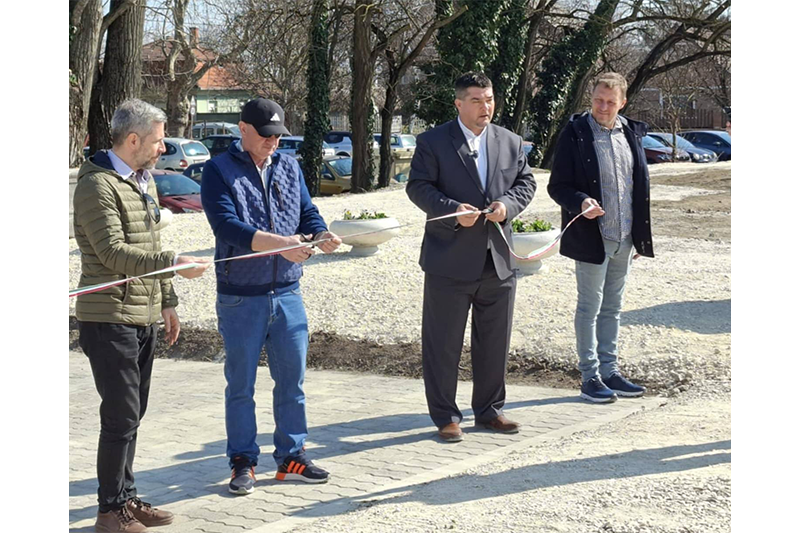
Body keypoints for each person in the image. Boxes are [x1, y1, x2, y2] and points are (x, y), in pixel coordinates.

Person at [73, 99, 210, 533]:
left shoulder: (142, 182)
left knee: (134, 413)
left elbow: (149, 245)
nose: (163, 147)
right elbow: (113, 253)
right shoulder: (97, 187)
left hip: (143, 314)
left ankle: (126, 499)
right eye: (157, 140)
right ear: (132, 140)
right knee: (120, 415)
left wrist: (167, 300)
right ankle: (109, 512)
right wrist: (174, 261)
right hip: (108, 316)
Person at [201, 98, 342, 494]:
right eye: (265, 135)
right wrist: (281, 245)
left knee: (292, 382)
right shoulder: (217, 170)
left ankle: (292, 456)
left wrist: (320, 234)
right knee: (241, 386)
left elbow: (307, 212)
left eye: (278, 135)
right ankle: (243, 461)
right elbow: (226, 226)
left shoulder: (289, 165)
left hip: (288, 293)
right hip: (240, 297)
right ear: (242, 129)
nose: (272, 143)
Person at [406, 72, 536, 443]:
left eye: (490, 99)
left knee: (494, 341)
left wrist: (506, 206)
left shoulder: (510, 141)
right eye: (477, 100)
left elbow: (525, 184)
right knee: (443, 344)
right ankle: (446, 415)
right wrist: (450, 209)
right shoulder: (433, 141)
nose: (486, 107)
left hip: (498, 259)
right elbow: (418, 187)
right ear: (458, 104)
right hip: (449, 259)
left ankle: (490, 410)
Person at [547, 72, 653, 404]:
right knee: (589, 308)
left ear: (622, 103)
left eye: (610, 102)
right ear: (590, 98)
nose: (603, 107)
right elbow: (557, 185)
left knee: (613, 309)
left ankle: (611, 372)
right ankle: (589, 376)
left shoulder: (631, 134)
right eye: (597, 100)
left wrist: (638, 236)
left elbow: (639, 188)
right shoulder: (575, 134)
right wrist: (580, 201)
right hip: (592, 237)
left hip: (624, 238)